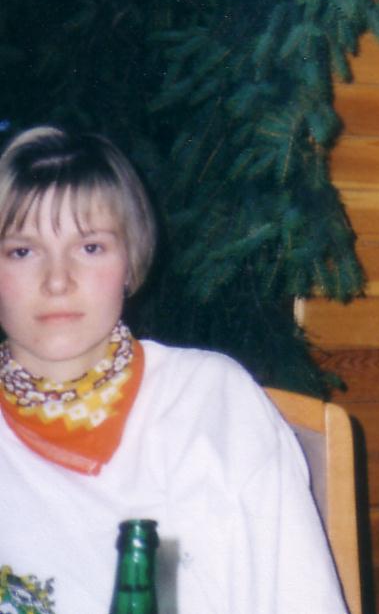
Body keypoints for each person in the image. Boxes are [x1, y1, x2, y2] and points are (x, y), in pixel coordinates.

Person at [0, 125, 348, 614]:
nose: (58, 281)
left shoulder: (215, 401)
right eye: (22, 251)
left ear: (130, 262)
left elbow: (304, 601)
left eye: (90, 247)